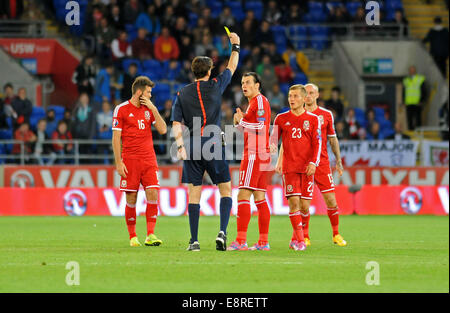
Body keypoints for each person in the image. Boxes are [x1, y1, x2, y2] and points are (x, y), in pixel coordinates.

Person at [171, 32, 240, 252]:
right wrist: (236, 45)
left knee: (194, 192)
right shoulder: (215, 85)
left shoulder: (182, 93)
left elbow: (175, 124)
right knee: (226, 189)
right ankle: (222, 232)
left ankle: (194, 241)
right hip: (213, 143)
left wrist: (180, 146)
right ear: (209, 72)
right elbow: (232, 66)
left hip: (191, 146)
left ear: (193, 72)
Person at [112, 76, 167, 247]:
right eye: (148, 92)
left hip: (149, 159)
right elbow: (116, 138)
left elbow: (163, 130)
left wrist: (154, 109)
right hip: (130, 160)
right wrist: (118, 163)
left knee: (153, 193)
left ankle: (150, 234)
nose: (150, 95)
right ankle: (133, 236)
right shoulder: (121, 109)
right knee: (132, 197)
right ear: (139, 92)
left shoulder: (149, 109)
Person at [271, 84, 322, 251]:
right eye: (290, 96)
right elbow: (273, 140)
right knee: (294, 204)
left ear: (304, 98)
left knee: (305, 207)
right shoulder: (281, 118)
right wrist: (271, 147)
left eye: (295, 96)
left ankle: (296, 237)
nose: (291, 99)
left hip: (307, 168)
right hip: (290, 168)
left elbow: (317, 144)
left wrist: (314, 162)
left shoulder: (313, 120)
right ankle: (300, 241)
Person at [226, 72, 272, 251]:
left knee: (243, 195)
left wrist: (242, 122)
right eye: (242, 83)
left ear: (257, 85)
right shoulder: (253, 103)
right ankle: (263, 242)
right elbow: (249, 128)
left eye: (248, 82)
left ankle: (240, 240)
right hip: (261, 152)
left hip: (254, 153)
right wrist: (239, 122)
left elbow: (261, 126)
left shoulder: (259, 101)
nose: (244, 86)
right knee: (260, 197)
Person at [302, 83, 347, 246]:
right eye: (305, 93)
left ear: (317, 95)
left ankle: (336, 234)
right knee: (304, 205)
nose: (308, 95)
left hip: (322, 164)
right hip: (304, 165)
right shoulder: (298, 114)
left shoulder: (326, 115)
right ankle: (305, 237)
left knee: (331, 201)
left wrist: (339, 161)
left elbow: (332, 139)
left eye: (311, 93)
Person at [403, 65, 426, 130]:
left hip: (417, 103)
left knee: (418, 119)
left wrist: (422, 100)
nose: (412, 71)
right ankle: (411, 134)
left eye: (413, 70)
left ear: (415, 71)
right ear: (409, 71)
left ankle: (419, 133)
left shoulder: (420, 79)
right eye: (410, 70)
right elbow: (404, 91)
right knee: (409, 120)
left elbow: (424, 90)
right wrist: (403, 101)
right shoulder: (406, 80)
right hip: (409, 103)